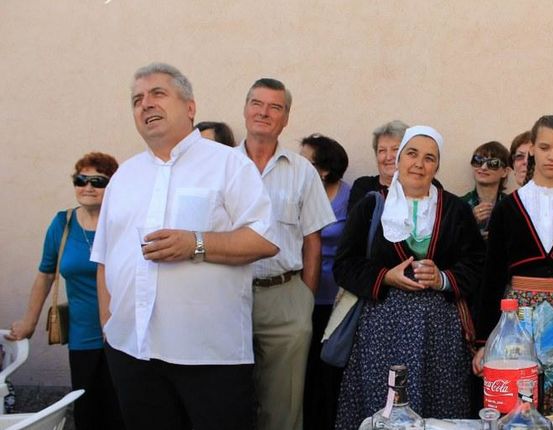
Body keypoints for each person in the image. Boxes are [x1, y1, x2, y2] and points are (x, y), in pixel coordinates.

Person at [93, 63, 278, 430]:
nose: (145, 105)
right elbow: (104, 257)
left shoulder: (228, 165)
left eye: (157, 94)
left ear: (190, 107)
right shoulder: (124, 177)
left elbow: (266, 239)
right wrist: (109, 326)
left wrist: (195, 243)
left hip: (208, 355)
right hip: (132, 351)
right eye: (136, 100)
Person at [333, 126, 485, 430]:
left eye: (429, 158)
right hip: (382, 328)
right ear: (399, 159)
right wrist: (386, 277)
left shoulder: (455, 210)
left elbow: (477, 263)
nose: (419, 163)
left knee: (440, 405)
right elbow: (345, 265)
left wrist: (442, 278)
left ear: (437, 166)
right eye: (412, 154)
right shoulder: (371, 206)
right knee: (383, 405)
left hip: (438, 331)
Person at [473, 115, 553, 414]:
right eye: (545, 147)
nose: (552, 156)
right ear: (532, 149)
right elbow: (492, 277)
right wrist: (484, 340)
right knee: (516, 403)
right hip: (518, 322)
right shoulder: (508, 208)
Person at [237, 78, 336, 430]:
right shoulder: (222, 167)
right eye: (257, 103)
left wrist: (303, 299)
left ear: (286, 118)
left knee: (284, 407)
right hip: (229, 295)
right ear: (245, 109)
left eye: (274, 107)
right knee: (227, 398)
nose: (264, 112)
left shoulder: (303, 172)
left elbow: (313, 239)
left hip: (285, 296)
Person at [6, 152, 124, 430]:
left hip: (123, 337)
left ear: (114, 185)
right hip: (82, 338)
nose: (88, 186)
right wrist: (28, 323)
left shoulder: (123, 223)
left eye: (98, 180)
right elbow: (45, 274)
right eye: (81, 179)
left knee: (123, 413)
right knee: (88, 414)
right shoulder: (63, 224)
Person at [298, 133, 351, 430]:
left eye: (304, 161)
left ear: (324, 169)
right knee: (303, 373)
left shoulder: (348, 197)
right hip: (303, 294)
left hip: (336, 299)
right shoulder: (299, 195)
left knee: (328, 370)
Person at [347, 120, 409, 211]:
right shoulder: (363, 187)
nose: (388, 157)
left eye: (396, 149)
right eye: (382, 150)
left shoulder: (426, 185)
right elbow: (353, 223)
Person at [461, 141, 510, 238]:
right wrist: (470, 222)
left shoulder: (512, 206)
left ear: (505, 172)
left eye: (492, 163)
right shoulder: (459, 205)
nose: (483, 167)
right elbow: (450, 244)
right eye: (478, 161)